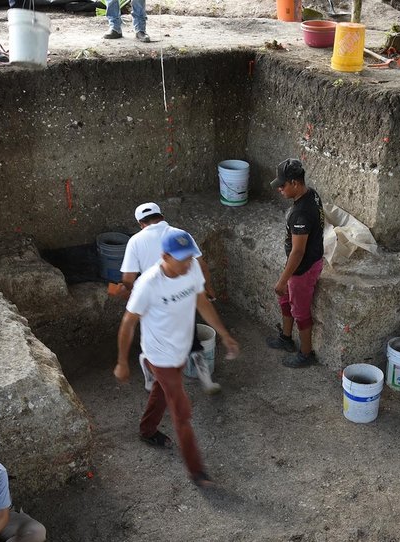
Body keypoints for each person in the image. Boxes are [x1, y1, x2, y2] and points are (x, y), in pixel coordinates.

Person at [114, 226, 239, 488]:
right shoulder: (148, 284)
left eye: (189, 258)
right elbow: (128, 323)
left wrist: (224, 334)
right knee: (181, 411)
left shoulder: (190, 268)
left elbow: (201, 301)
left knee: (162, 391)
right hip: (159, 355)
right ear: (165, 257)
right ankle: (197, 473)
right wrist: (122, 362)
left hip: (180, 348)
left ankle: (147, 430)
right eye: (181, 259)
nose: (187, 264)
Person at [120, 201, 220, 395]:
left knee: (153, 347)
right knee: (191, 339)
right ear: (162, 217)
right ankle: (207, 381)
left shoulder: (135, 241)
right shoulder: (180, 235)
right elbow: (201, 264)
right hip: (182, 296)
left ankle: (151, 382)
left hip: (153, 302)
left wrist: (132, 294)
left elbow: (128, 279)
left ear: (140, 223)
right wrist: (208, 287)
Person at [267, 158, 325, 369]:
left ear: (295, 183)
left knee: (300, 311)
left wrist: (283, 280)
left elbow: (299, 251)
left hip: (303, 268)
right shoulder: (311, 194)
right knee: (285, 302)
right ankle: (285, 337)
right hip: (300, 264)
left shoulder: (301, 213)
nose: (280, 189)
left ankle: (305, 353)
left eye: (283, 185)